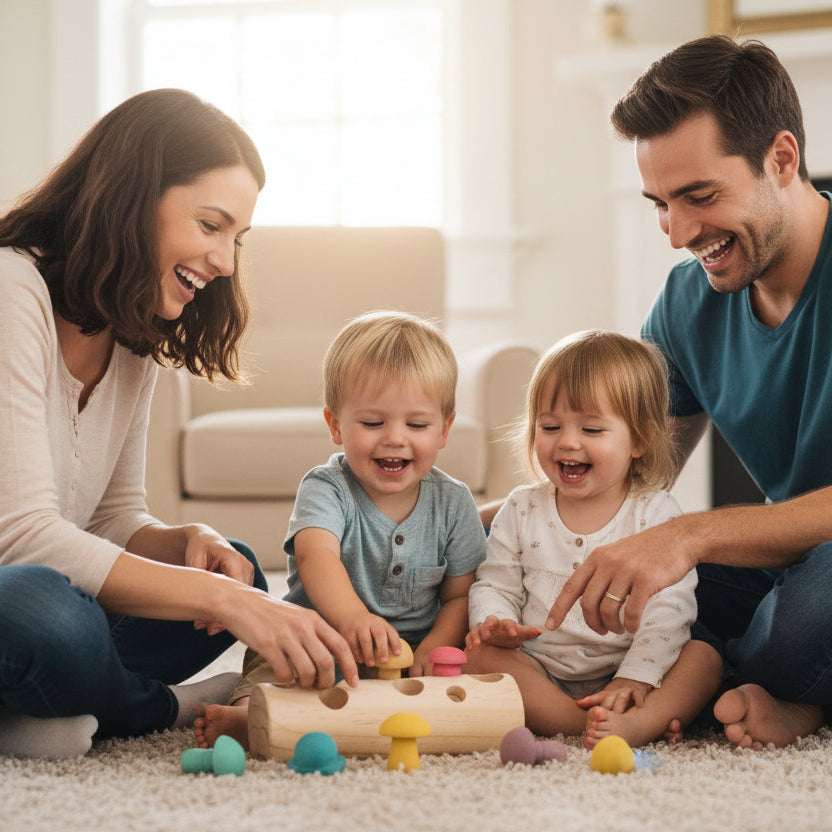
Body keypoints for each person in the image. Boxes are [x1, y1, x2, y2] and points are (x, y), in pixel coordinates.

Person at [0, 88, 357, 759]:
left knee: (242, 571)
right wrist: (223, 603)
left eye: (236, 238)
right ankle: (147, 707)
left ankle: (35, 713)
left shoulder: (132, 333)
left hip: (37, 599)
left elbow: (110, 518)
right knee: (42, 610)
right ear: (133, 198)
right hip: (15, 598)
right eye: (212, 225)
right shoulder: (9, 288)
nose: (225, 262)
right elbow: (21, 538)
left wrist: (188, 542)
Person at [546, 35, 832, 749]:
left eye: (700, 197)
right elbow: (630, 467)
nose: (677, 233)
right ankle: (768, 685)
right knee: (649, 596)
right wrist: (463, 516)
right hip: (788, 561)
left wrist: (689, 533)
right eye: (659, 204)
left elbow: (684, 535)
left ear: (782, 159)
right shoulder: (686, 303)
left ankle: (780, 686)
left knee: (801, 617)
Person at [194, 310, 487, 749]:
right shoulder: (326, 487)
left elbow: (461, 594)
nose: (394, 438)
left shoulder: (455, 501)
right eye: (372, 423)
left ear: (445, 429)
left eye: (417, 424)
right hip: (322, 639)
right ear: (335, 425)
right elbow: (317, 555)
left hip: (412, 653)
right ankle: (251, 714)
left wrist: (434, 646)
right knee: (293, 670)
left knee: (459, 684)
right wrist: (353, 619)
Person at [465, 330, 721, 747]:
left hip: (630, 670)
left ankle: (640, 720)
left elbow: (669, 611)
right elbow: (495, 582)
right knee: (478, 657)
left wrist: (635, 676)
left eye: (591, 429)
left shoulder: (655, 514)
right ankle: (574, 721)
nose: (568, 441)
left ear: (638, 439)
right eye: (550, 426)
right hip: (540, 669)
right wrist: (495, 623)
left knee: (703, 659)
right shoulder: (521, 507)